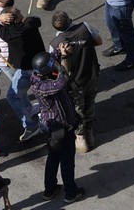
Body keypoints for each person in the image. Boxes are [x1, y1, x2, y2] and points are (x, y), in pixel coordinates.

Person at [29, 52, 83, 202]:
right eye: (51, 65)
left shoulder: (38, 74)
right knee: (66, 161)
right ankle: (71, 192)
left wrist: (60, 52)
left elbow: (50, 58)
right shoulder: (41, 86)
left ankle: (50, 189)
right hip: (59, 127)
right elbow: (61, 82)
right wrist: (61, 63)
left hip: (57, 127)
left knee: (53, 157)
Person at [50, 11, 102, 154]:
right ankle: (90, 131)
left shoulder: (55, 44)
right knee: (90, 103)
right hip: (91, 74)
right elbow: (99, 41)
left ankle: (81, 138)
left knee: (78, 109)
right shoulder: (85, 27)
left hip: (74, 83)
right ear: (70, 19)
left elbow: (57, 68)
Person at [0, 6, 47, 141]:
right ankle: (35, 113)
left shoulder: (8, 34)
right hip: (42, 67)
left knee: (12, 95)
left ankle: (30, 124)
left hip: (24, 71)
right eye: (19, 13)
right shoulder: (30, 23)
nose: (22, 13)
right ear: (16, 19)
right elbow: (37, 20)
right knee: (45, 95)